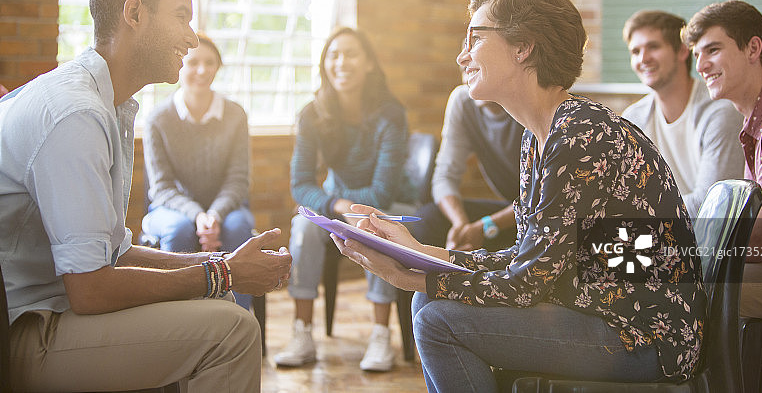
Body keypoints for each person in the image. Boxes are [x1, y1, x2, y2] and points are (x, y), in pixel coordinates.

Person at [332, 0, 707, 392]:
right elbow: (525, 259)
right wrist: (417, 254)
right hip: (598, 313)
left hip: (645, 336)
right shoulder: (539, 136)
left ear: (523, 47)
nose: (462, 55)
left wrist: (408, 276)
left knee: (437, 319)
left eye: (475, 39)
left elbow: (527, 284)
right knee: (430, 301)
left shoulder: (581, 134)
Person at [0, 0, 291, 392]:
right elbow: (91, 289)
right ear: (134, 13)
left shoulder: (106, 103)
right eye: (181, 17)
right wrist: (224, 273)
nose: (192, 38)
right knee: (233, 330)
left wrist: (221, 265)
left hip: (56, 306)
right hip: (26, 329)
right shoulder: (75, 114)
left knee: (220, 301)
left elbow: (113, 254)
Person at [274, 26, 414, 372]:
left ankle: (381, 334)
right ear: (325, 64)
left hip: (386, 208)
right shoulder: (312, 114)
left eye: (351, 54)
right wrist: (338, 206)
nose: (341, 62)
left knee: (373, 226)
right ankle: (302, 331)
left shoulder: (390, 115)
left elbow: (381, 193)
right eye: (333, 55)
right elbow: (300, 185)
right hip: (334, 205)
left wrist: (347, 207)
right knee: (303, 228)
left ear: (369, 63)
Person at [683, 0, 762, 325]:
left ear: (753, 49)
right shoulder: (759, 121)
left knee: (686, 284)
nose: (701, 65)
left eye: (713, 50)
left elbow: (758, 240)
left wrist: (675, 251)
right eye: (697, 55)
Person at [142, 32, 255, 312]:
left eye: (210, 63)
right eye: (193, 63)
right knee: (179, 229)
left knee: (238, 227)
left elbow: (238, 180)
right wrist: (197, 215)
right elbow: (162, 188)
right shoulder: (157, 118)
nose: (202, 70)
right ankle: (178, 318)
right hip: (171, 209)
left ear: (218, 67)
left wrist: (214, 214)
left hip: (226, 208)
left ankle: (237, 318)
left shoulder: (235, 114)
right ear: (180, 64)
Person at [621, 9, 744, 218]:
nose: (643, 59)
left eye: (653, 47)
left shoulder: (721, 112)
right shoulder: (633, 119)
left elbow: (712, 205)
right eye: (635, 51)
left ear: (682, 51)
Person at [414, 83, 522, 250]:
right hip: (512, 208)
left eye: (476, 69)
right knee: (428, 219)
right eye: (464, 71)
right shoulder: (463, 100)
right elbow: (444, 177)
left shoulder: (530, 100)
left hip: (545, 212)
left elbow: (543, 197)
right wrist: (460, 224)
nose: (468, 77)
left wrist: (485, 226)